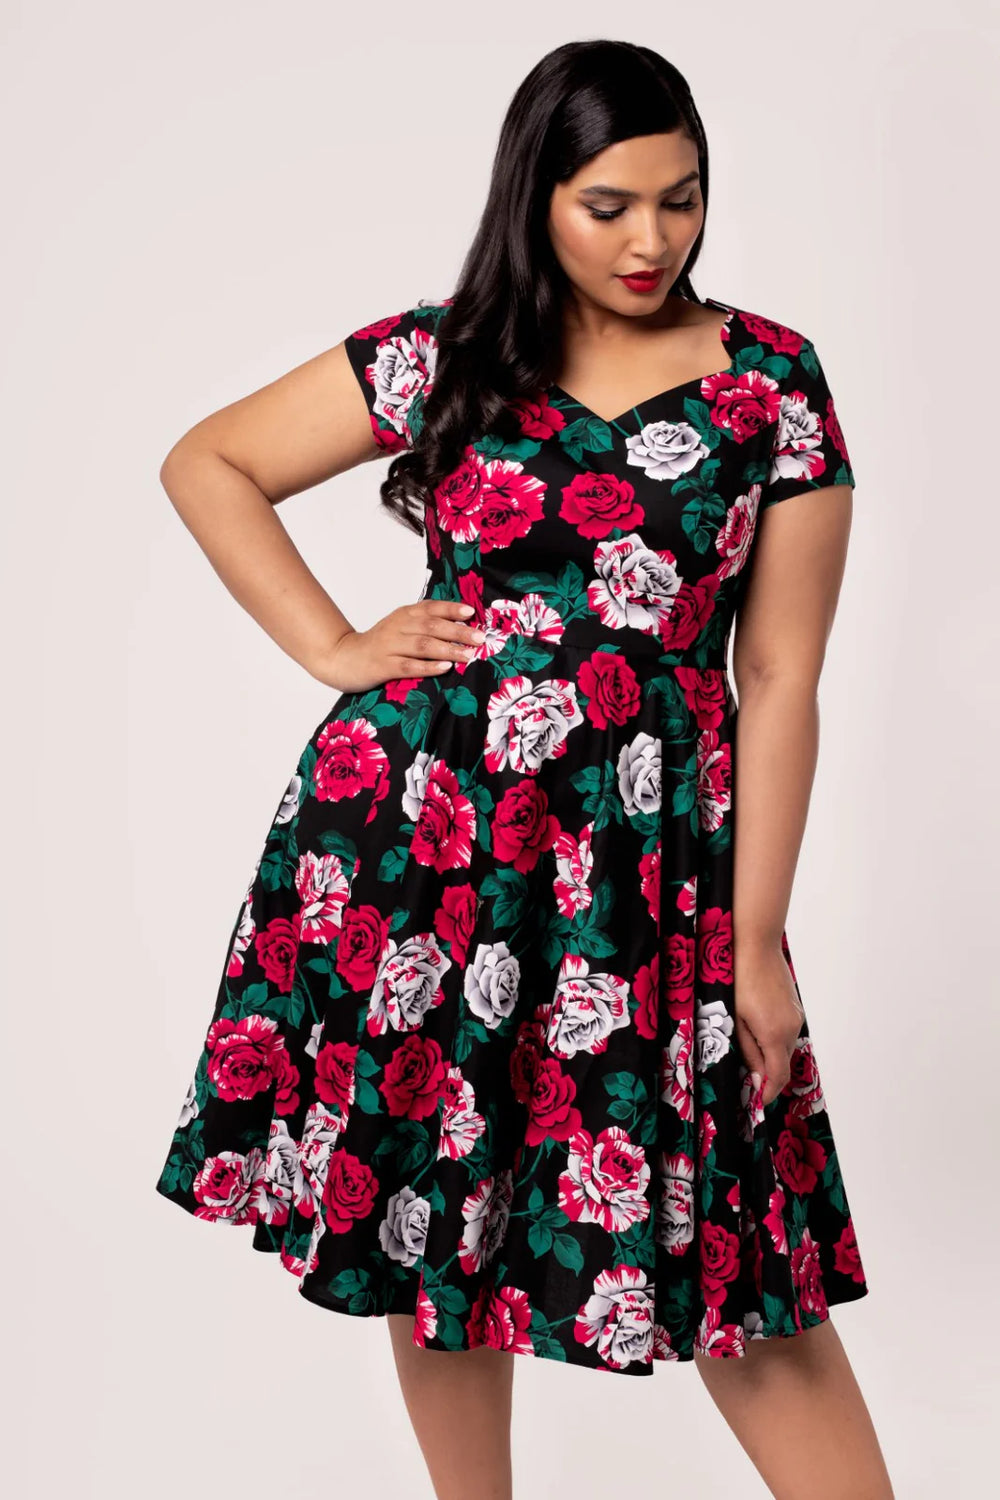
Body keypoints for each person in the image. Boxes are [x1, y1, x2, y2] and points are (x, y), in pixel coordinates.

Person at [154, 37, 893, 1500]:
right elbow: (208, 462)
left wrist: (753, 941)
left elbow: (780, 678)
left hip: (657, 868)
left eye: (681, 198)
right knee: (432, 1224)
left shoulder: (770, 381)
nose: (650, 239)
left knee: (743, 1251)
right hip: (437, 843)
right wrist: (333, 645)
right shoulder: (448, 353)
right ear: (535, 195)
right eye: (609, 204)